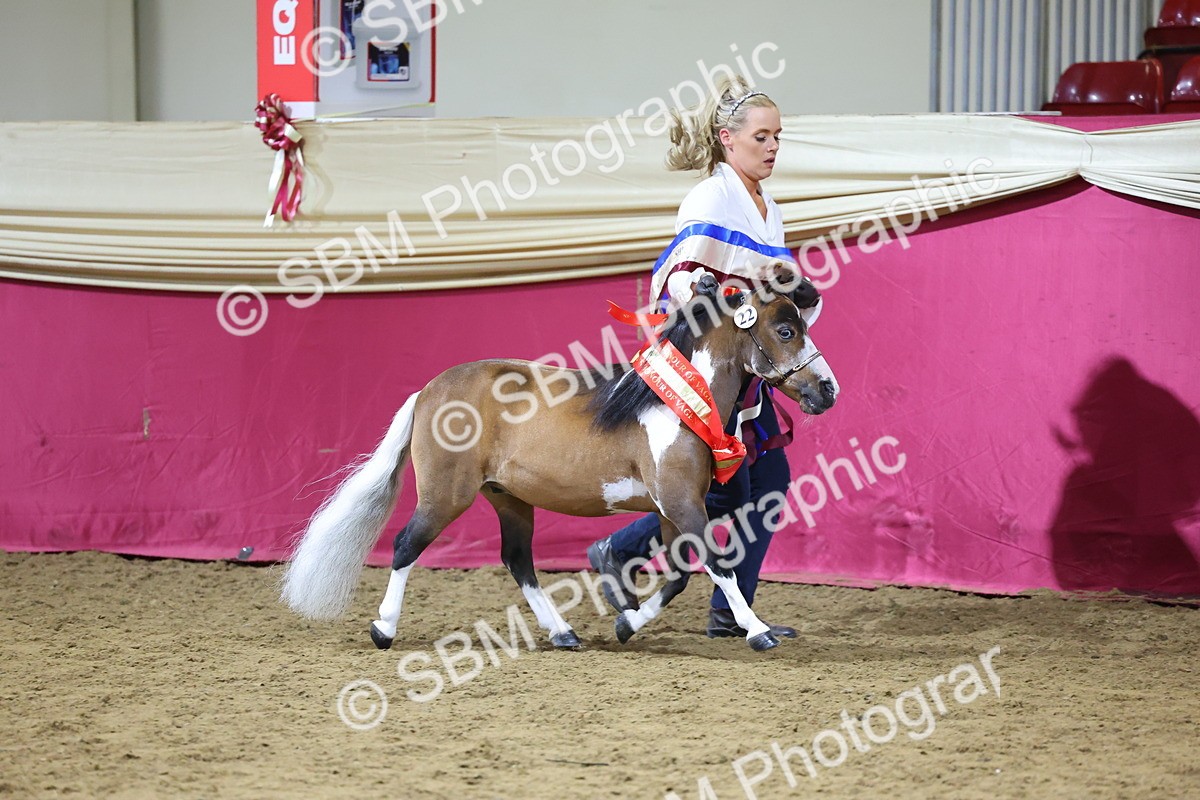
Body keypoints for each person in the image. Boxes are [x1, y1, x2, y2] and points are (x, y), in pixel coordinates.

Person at [588, 75, 816, 639]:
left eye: (778, 136)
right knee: (727, 487)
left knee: (761, 483)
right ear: (726, 138)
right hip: (702, 370)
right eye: (762, 136)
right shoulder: (710, 198)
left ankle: (704, 596)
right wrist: (724, 301)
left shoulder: (767, 206)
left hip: (748, 367)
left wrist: (793, 291)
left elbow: (767, 284)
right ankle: (638, 557)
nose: (772, 147)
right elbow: (678, 280)